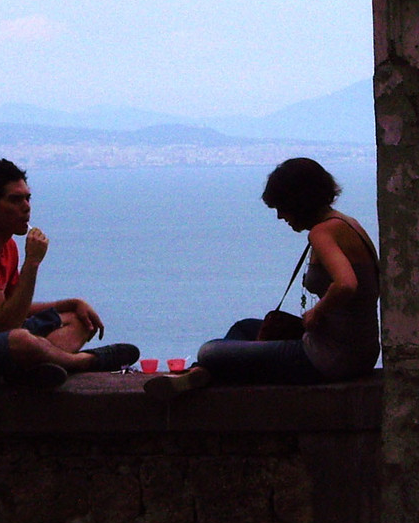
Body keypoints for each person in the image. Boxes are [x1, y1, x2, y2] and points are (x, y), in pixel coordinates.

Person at [146, 157, 379, 399]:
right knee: (244, 328)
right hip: (360, 353)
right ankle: (200, 373)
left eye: (282, 206)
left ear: (299, 201)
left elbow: (347, 284)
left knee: (209, 351)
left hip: (328, 359)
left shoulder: (322, 232)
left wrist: (317, 312)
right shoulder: (349, 224)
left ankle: (201, 370)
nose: (280, 216)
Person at [0, 158, 139, 387]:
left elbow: (14, 308)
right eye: (15, 200)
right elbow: (6, 323)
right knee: (21, 340)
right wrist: (32, 262)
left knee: (79, 320)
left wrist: (72, 303)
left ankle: (25, 371)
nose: (26, 206)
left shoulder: (7, 246)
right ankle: (84, 362)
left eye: (27, 198)